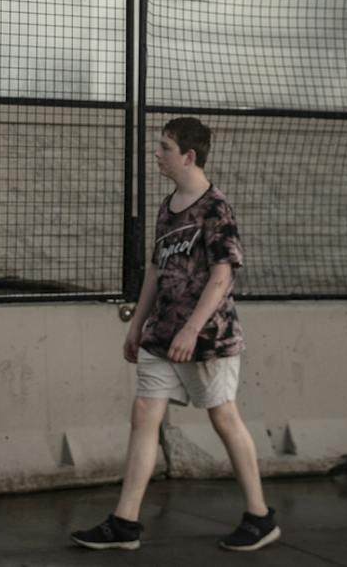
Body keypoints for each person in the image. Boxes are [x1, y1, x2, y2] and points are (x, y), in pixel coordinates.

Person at [70, 118, 281, 553]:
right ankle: (124, 522)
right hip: (161, 336)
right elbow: (156, 269)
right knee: (144, 414)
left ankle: (260, 516)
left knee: (223, 417)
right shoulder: (169, 207)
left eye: (165, 147)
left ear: (189, 155)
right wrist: (138, 323)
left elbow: (223, 276)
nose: (158, 154)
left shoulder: (215, 208)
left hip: (208, 340)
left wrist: (191, 328)